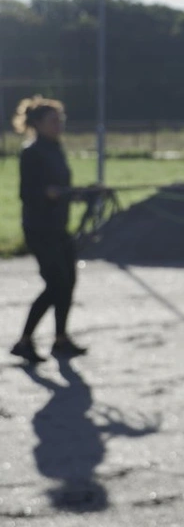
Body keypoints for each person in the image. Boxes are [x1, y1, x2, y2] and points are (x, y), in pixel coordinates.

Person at [9, 96, 89, 363]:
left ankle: (61, 339)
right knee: (57, 284)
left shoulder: (56, 148)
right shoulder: (31, 152)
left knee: (69, 282)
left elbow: (61, 187)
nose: (59, 125)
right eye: (54, 121)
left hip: (58, 227)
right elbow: (28, 193)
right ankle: (24, 341)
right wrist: (50, 193)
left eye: (61, 120)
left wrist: (81, 193)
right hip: (39, 229)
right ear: (38, 124)